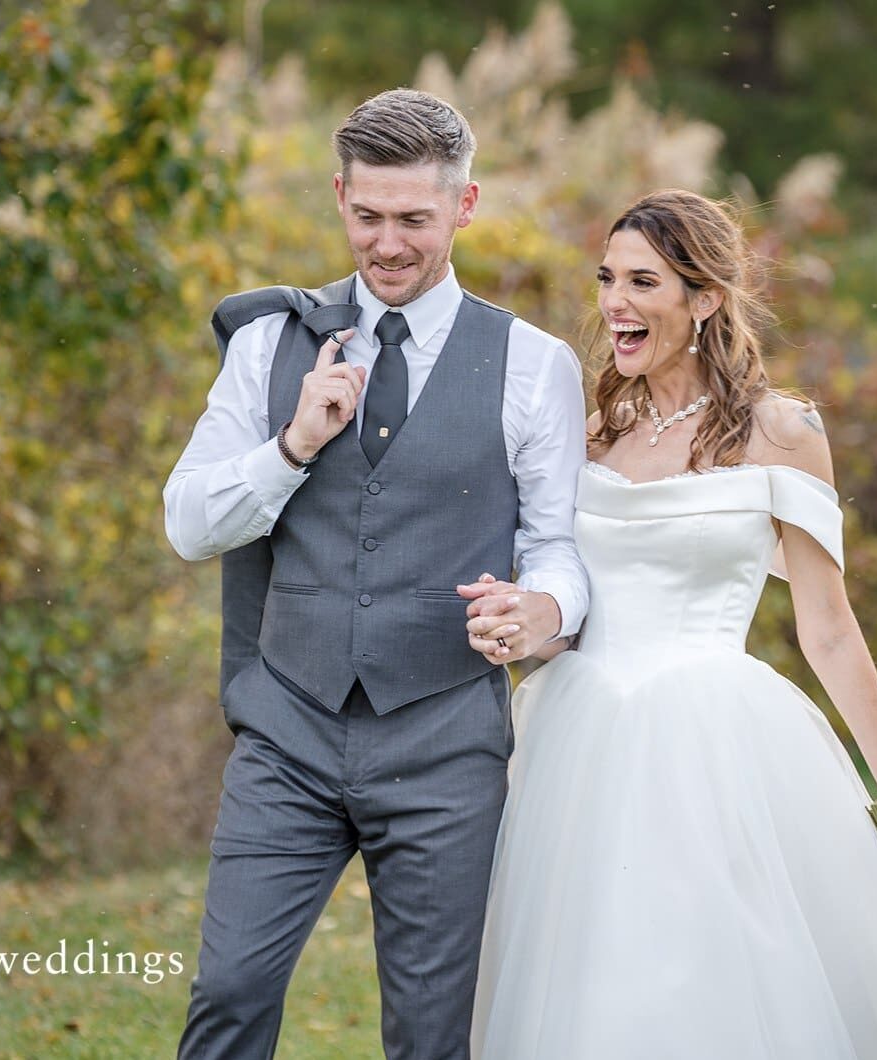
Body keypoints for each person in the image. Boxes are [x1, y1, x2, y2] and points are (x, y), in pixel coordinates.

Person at [163, 89, 589, 1060]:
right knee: (228, 991)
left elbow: (561, 545)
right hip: (286, 734)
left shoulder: (533, 365)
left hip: (446, 745)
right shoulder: (269, 343)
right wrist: (292, 445)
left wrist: (541, 607)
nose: (387, 244)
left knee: (433, 1034)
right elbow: (186, 524)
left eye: (413, 220)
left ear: (464, 206)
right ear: (339, 198)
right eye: (366, 217)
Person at [465, 189, 877, 1058]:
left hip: (714, 743)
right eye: (607, 278)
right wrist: (519, 622)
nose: (614, 301)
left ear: (706, 298)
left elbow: (827, 629)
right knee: (584, 979)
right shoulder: (588, 429)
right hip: (577, 739)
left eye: (643, 281)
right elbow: (565, 605)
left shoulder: (780, 432)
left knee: (709, 976)